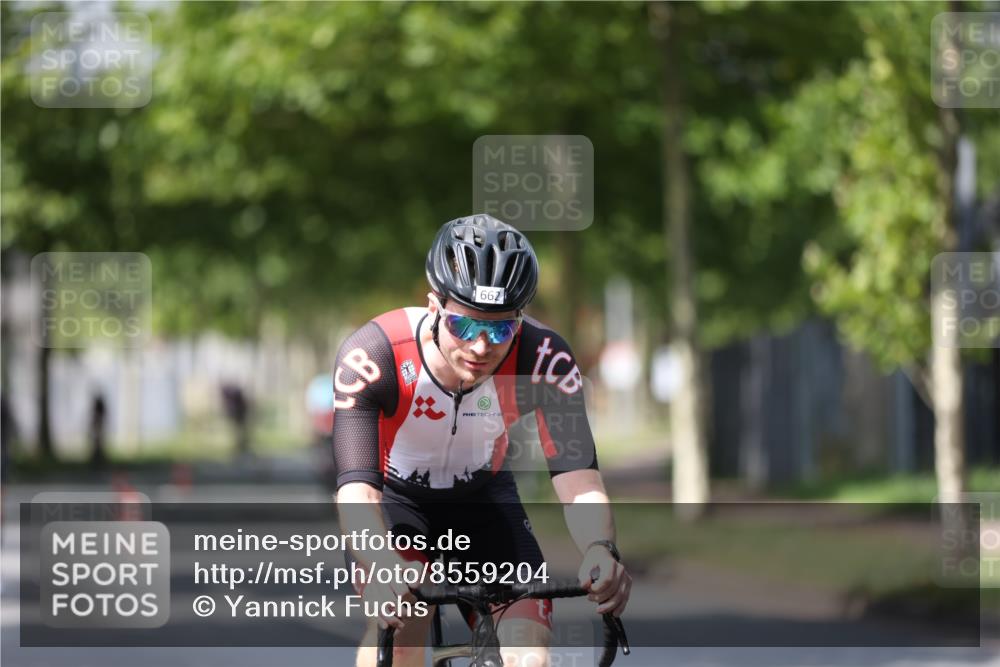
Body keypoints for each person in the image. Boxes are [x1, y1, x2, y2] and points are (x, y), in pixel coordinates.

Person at [334, 214, 631, 667]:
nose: (480, 347)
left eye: (499, 330)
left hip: (485, 504)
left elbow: (580, 481)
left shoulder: (544, 360)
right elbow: (357, 491)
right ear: (434, 308)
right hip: (399, 507)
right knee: (400, 627)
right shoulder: (375, 355)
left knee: (529, 657)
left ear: (520, 321)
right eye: (465, 327)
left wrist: (599, 547)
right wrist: (380, 564)